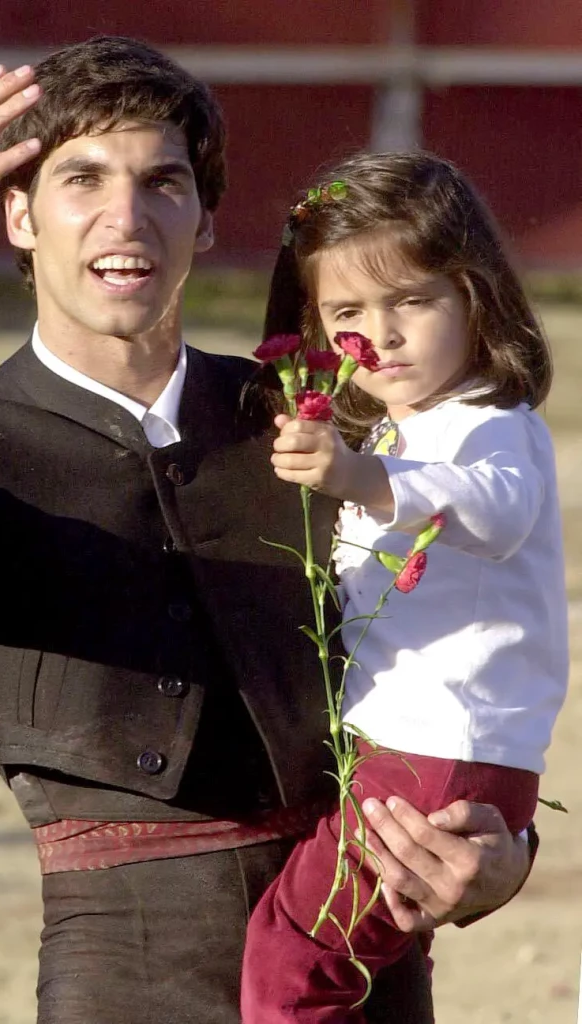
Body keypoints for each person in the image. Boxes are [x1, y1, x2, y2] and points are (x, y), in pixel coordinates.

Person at [0, 38, 533, 1024]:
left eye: (162, 181)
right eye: (81, 177)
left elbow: (474, 635)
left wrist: (499, 855)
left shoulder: (319, 421)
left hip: (357, 949)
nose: (126, 215)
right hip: (125, 967)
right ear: (13, 214)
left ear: (202, 217)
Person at [240, 151, 568, 1022]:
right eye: (347, 312)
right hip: (413, 751)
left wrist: (361, 481)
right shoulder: (396, 434)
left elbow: (497, 512)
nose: (377, 337)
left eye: (410, 301)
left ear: (476, 297)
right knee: (339, 967)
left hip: (439, 750)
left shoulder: (491, 424)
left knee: (292, 966)